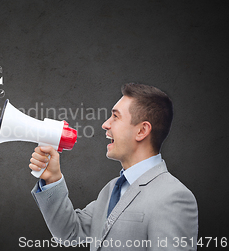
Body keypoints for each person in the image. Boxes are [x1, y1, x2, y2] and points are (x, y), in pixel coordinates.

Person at [30, 83, 198, 250]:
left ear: (142, 131)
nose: (105, 124)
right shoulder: (110, 190)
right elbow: (69, 232)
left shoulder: (174, 197)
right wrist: (52, 178)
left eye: (115, 117)